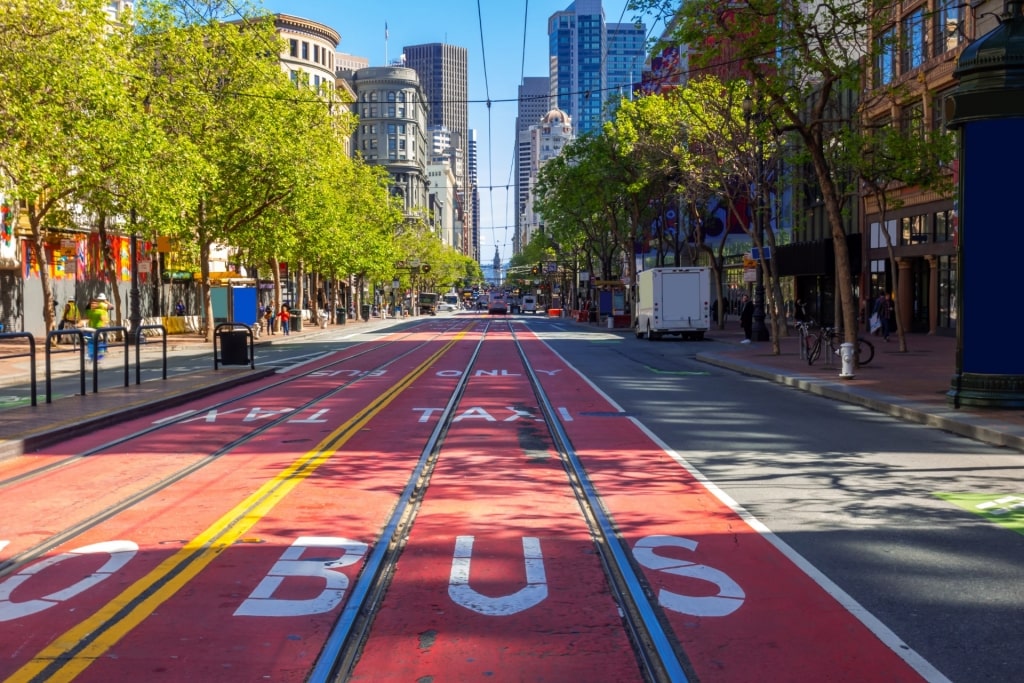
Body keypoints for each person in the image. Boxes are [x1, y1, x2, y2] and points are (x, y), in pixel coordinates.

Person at [84, 293, 110, 360]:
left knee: (101, 339)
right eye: (92, 303)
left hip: (99, 327)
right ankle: (96, 353)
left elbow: (104, 318)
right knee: (93, 339)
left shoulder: (100, 308)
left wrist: (104, 323)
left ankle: (101, 352)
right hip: (94, 327)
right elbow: (86, 318)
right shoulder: (101, 306)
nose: (93, 305)